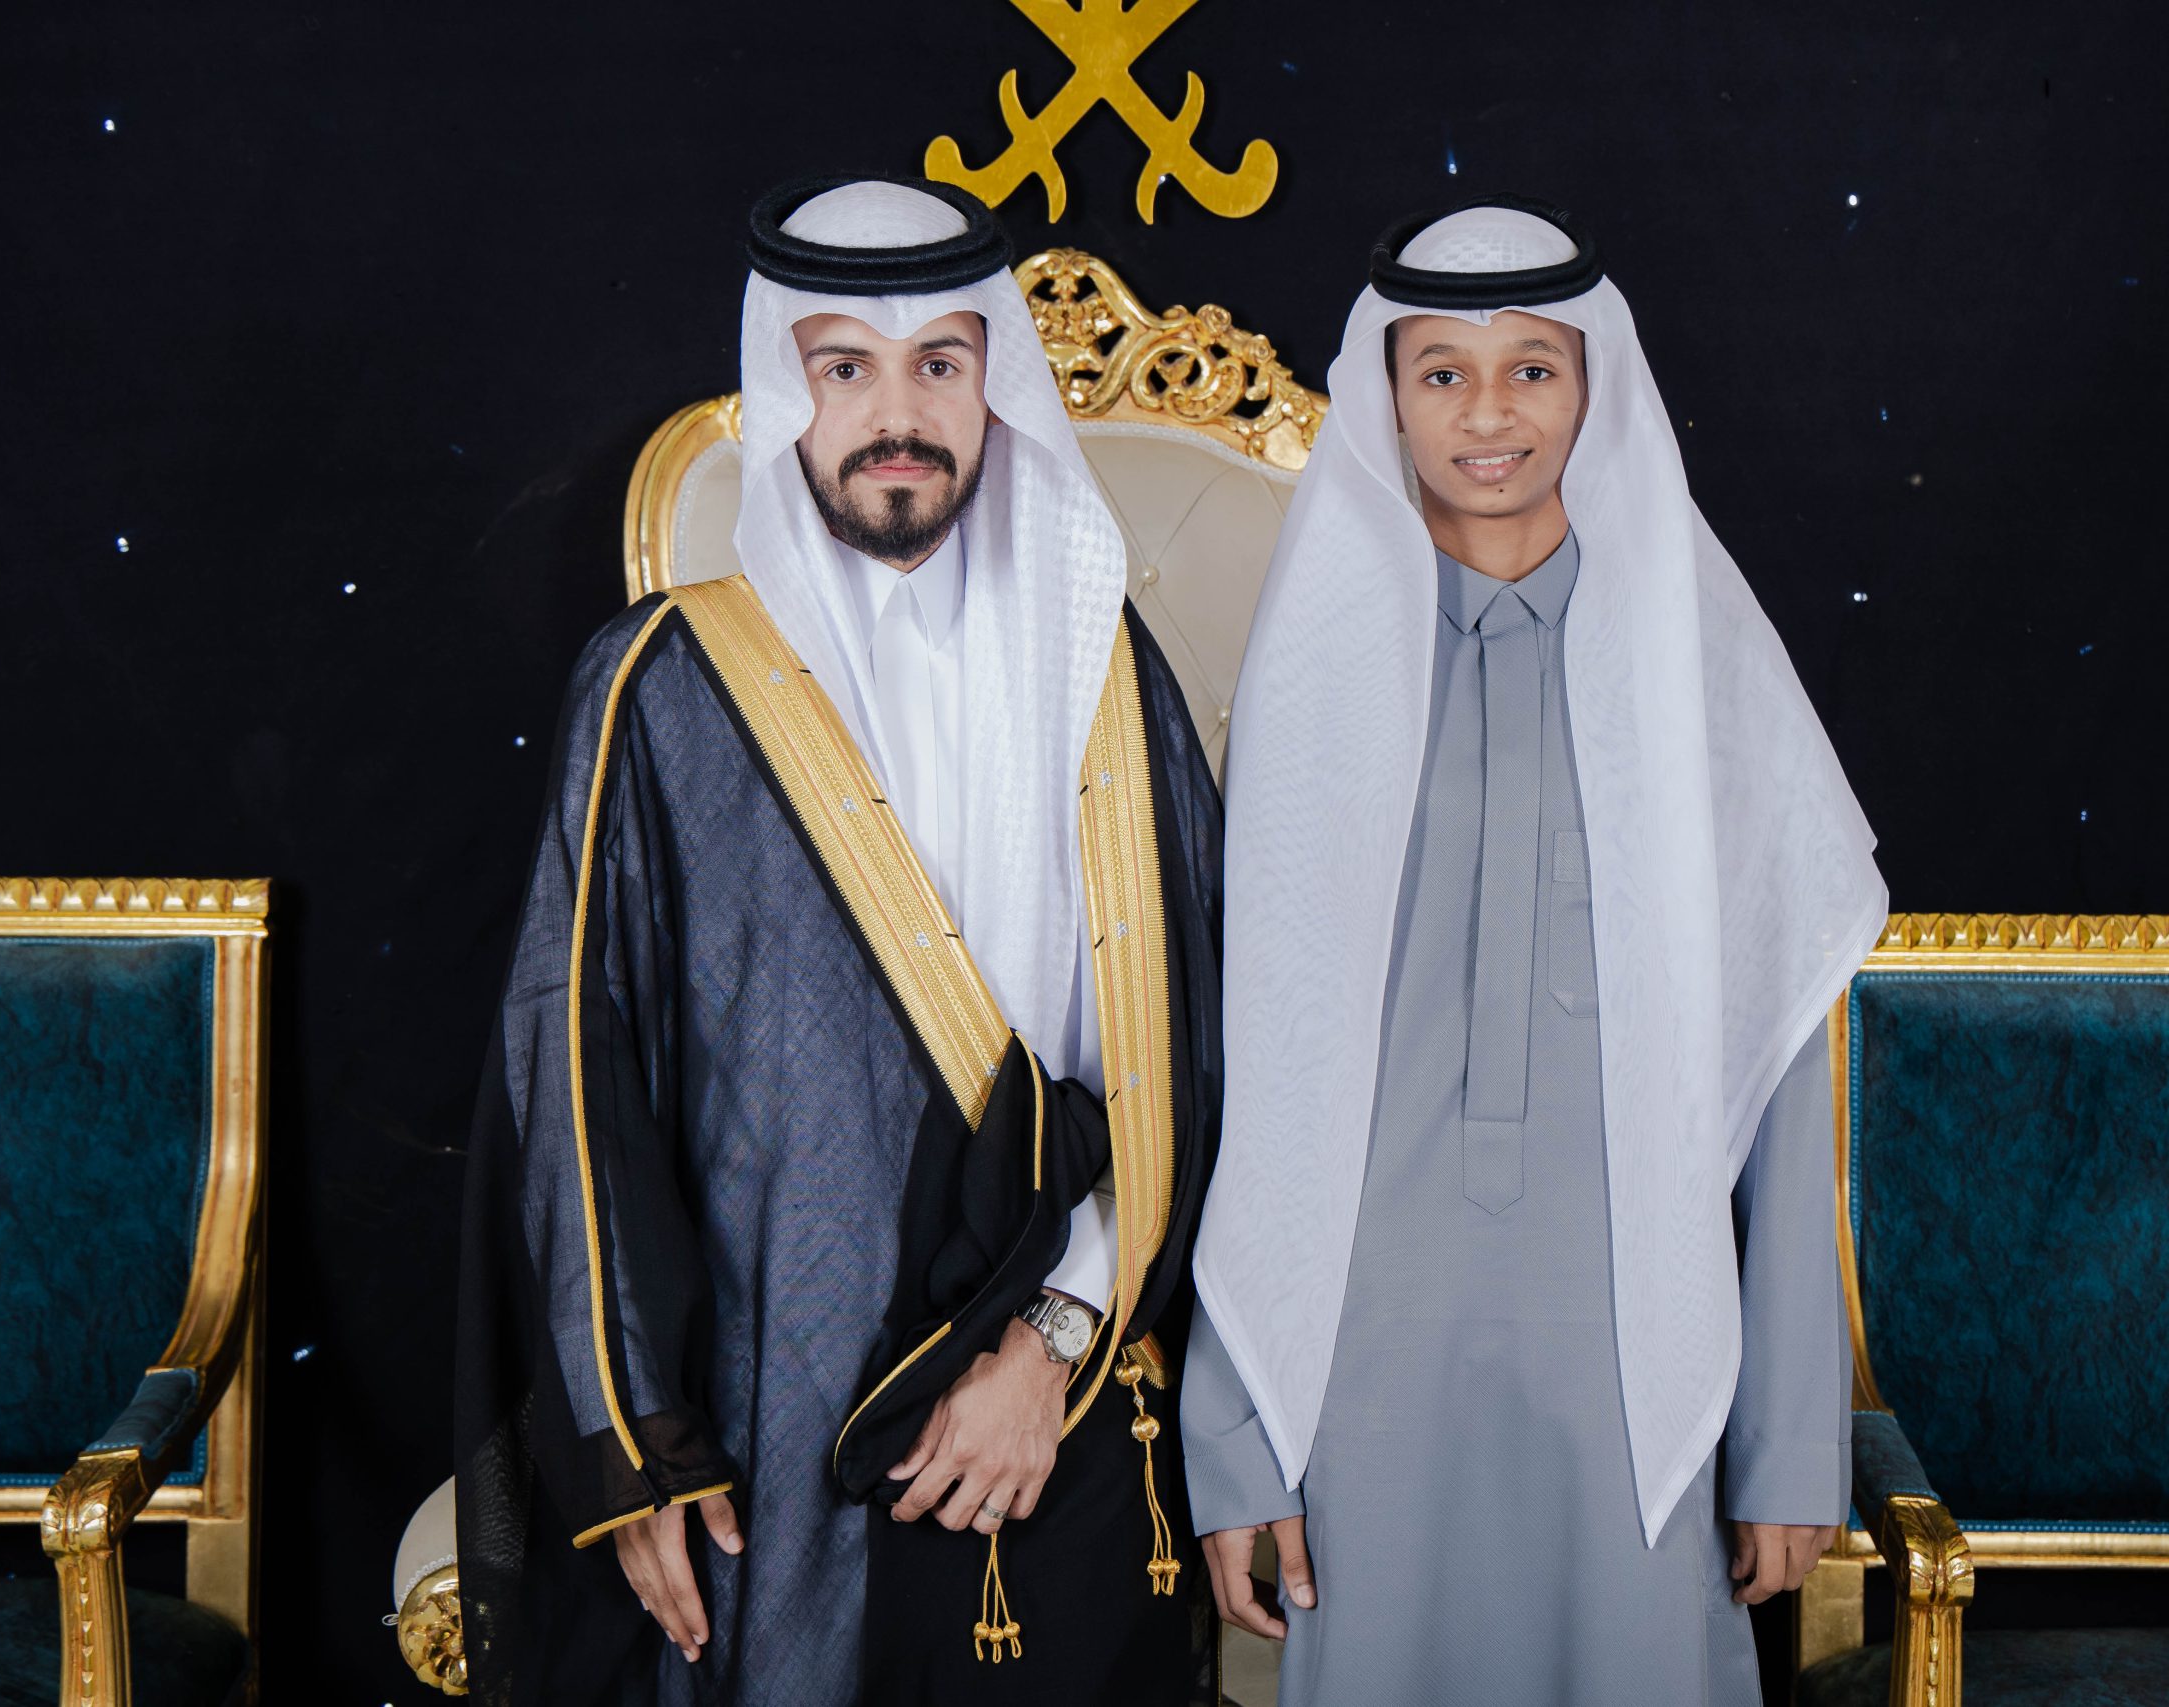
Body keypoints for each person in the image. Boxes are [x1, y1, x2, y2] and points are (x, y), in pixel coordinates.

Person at [455, 174, 1223, 1707]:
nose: (898, 414)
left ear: (993, 383)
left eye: (940, 362)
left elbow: (1189, 1059)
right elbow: (574, 1076)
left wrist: (1052, 1340)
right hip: (758, 1411)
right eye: (845, 369)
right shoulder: (661, 685)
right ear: (784, 388)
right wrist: (636, 1440)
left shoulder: (1103, 674)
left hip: (1055, 1393)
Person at [1182, 196, 1887, 1705]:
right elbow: (1251, 1092)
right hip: (1361, 1364)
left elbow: (1785, 1079)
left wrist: (1787, 1442)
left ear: (1592, 390)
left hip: (1638, 1358)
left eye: (1531, 370)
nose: (1488, 414)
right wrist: (1235, 1439)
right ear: (1387, 394)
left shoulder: (1699, 673)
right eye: (1441, 371)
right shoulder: (1313, 686)